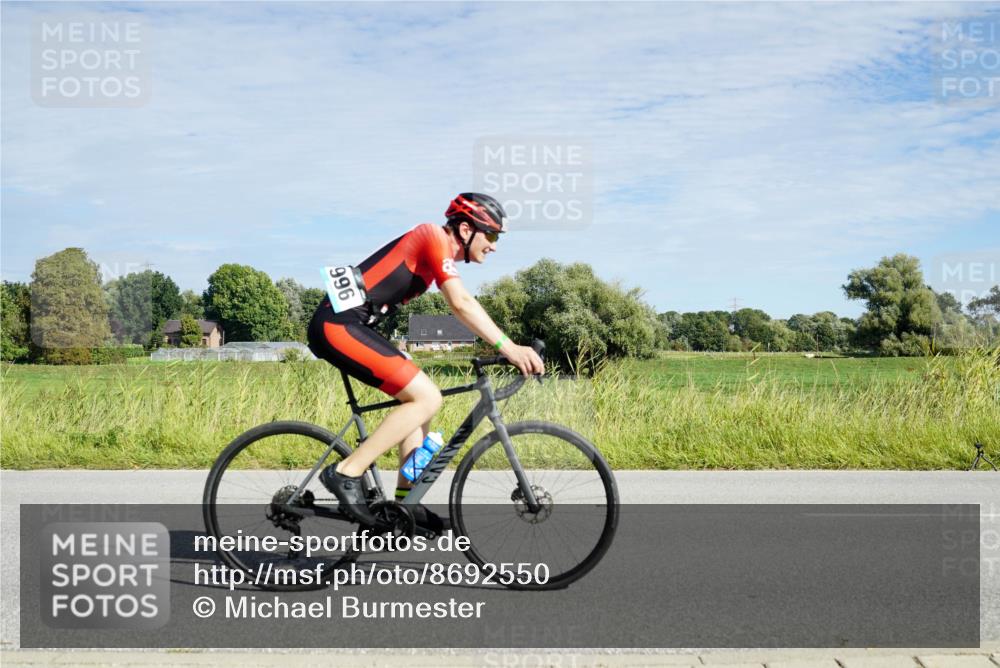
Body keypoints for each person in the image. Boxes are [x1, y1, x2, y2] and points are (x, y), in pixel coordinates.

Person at [307, 193, 545, 527]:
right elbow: (460, 303)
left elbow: (459, 305)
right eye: (490, 235)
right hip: (336, 325)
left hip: (354, 324)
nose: (493, 246)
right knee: (427, 397)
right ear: (465, 229)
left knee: (423, 401)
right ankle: (346, 472)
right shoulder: (432, 236)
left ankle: (406, 505)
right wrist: (510, 347)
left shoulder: (435, 252)